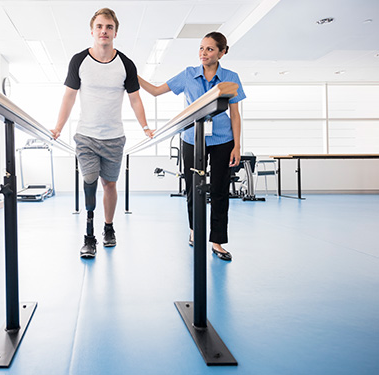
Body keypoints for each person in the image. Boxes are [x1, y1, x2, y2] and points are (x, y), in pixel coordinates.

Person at [51, 8, 154, 258]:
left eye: (108, 27)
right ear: (92, 31)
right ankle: (89, 235)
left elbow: (136, 100)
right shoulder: (79, 60)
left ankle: (108, 227)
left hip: (114, 137)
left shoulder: (125, 64)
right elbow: (69, 97)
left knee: (109, 184)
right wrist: (58, 128)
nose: (104, 31)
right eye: (99, 27)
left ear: (115, 32)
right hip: (86, 135)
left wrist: (145, 127)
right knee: (89, 179)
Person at [138, 31, 245, 261]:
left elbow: (235, 115)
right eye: (201, 48)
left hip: (222, 140)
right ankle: (195, 230)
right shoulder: (188, 75)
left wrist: (237, 145)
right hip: (191, 140)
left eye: (209, 49)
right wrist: (132, 75)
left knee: (219, 190)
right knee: (193, 189)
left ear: (222, 52)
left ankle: (217, 241)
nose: (203, 53)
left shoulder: (231, 77)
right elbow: (156, 91)